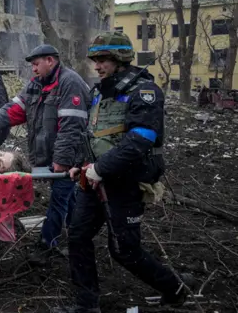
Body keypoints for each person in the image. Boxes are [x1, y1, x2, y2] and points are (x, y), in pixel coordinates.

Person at [54, 31, 194, 313]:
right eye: (95, 60)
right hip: (93, 180)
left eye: (103, 59)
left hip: (125, 182)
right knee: (78, 236)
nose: (97, 66)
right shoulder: (99, 92)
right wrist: (81, 166)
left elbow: (139, 140)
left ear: (120, 59)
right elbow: (93, 135)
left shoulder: (144, 92)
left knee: (125, 251)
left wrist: (99, 169)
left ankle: (174, 289)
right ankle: (86, 305)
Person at [0, 44, 90, 265]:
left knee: (59, 199)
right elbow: (15, 109)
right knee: (69, 198)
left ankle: (46, 244)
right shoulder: (36, 85)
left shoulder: (70, 83)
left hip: (69, 157)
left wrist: (61, 161)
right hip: (48, 155)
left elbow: (71, 127)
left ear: (50, 61)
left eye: (36, 64)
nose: (33, 69)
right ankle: (78, 236)